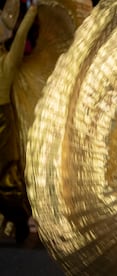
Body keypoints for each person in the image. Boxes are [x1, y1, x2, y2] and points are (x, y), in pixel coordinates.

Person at [0, 2, 37, 244]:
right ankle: (14, 223)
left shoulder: (6, 60)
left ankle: (19, 223)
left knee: (7, 177)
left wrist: (32, 11)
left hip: (3, 120)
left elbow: (18, 31)